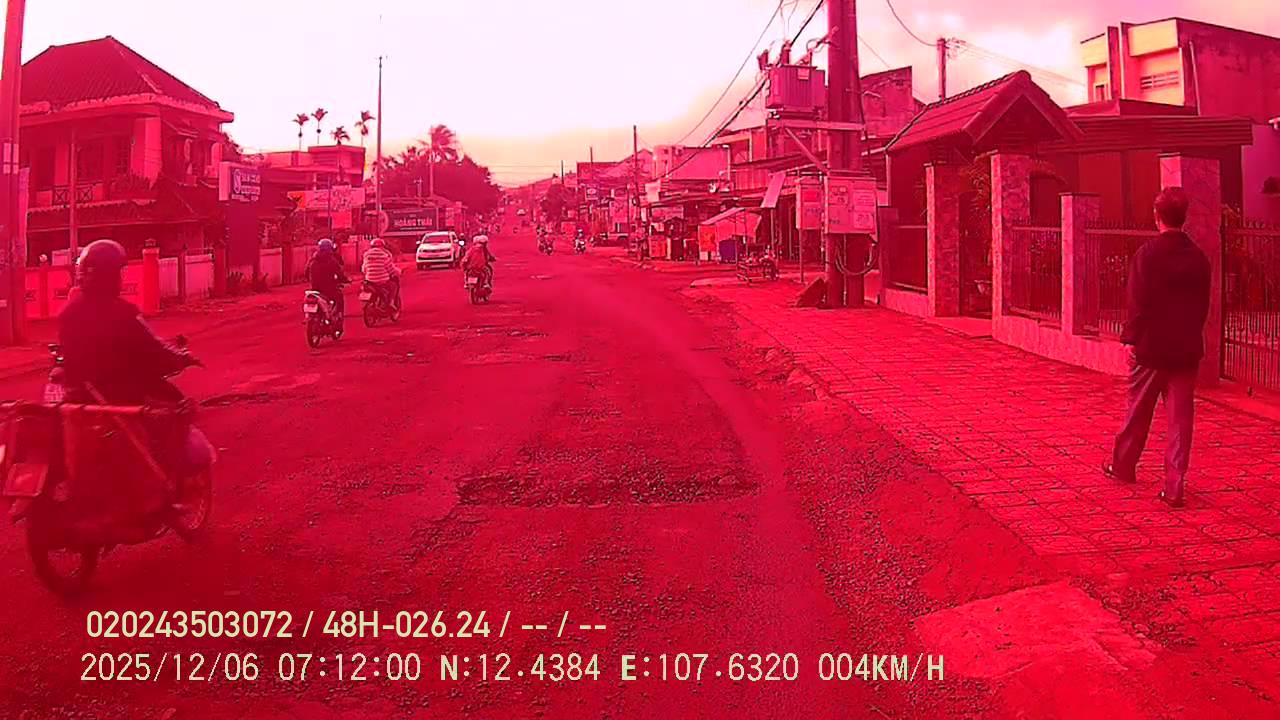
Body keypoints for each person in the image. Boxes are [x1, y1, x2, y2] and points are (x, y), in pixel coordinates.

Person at [58, 239, 204, 515]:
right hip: (123, 396)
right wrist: (182, 358)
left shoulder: (68, 314)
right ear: (111, 276)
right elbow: (153, 352)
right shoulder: (125, 313)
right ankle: (163, 494)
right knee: (176, 413)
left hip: (80, 398)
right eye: (118, 273)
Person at [1104, 187, 1211, 508]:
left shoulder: (1147, 255)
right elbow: (1202, 305)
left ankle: (1124, 466)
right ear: (1184, 217)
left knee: (1138, 411)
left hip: (1151, 347)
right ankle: (1175, 486)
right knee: (1180, 420)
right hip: (1185, 348)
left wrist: (1130, 339)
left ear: (1156, 217)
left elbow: (1137, 302)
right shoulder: (1198, 258)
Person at [306, 238, 349, 327]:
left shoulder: (312, 260)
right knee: (339, 296)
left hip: (315, 289)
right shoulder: (332, 260)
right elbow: (340, 274)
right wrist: (345, 280)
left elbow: (306, 272)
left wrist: (310, 279)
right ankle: (338, 316)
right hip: (329, 289)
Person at [361, 238, 401, 309]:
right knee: (394, 286)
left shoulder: (366, 255)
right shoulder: (385, 255)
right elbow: (391, 269)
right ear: (382, 246)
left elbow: (363, 269)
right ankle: (391, 303)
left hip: (369, 281)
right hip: (382, 281)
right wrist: (398, 272)